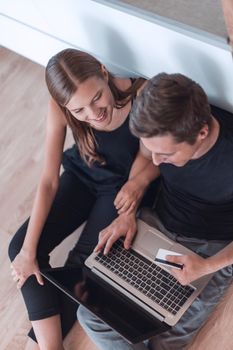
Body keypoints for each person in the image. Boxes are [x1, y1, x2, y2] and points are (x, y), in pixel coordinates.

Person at [8, 48, 158, 350]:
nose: (94, 114)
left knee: (86, 262)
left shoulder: (141, 93)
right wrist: (27, 251)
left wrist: (137, 188)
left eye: (97, 98)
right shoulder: (59, 104)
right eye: (79, 111)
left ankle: (38, 345)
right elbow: (49, 181)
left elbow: (156, 155)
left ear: (104, 72)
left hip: (119, 187)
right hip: (83, 173)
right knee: (22, 247)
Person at [77, 72, 233, 350]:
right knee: (92, 314)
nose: (157, 162)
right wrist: (128, 211)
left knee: (163, 341)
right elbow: (147, 157)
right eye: (152, 151)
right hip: (155, 223)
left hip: (210, 250)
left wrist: (208, 267)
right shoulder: (158, 126)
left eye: (167, 155)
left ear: (202, 133)